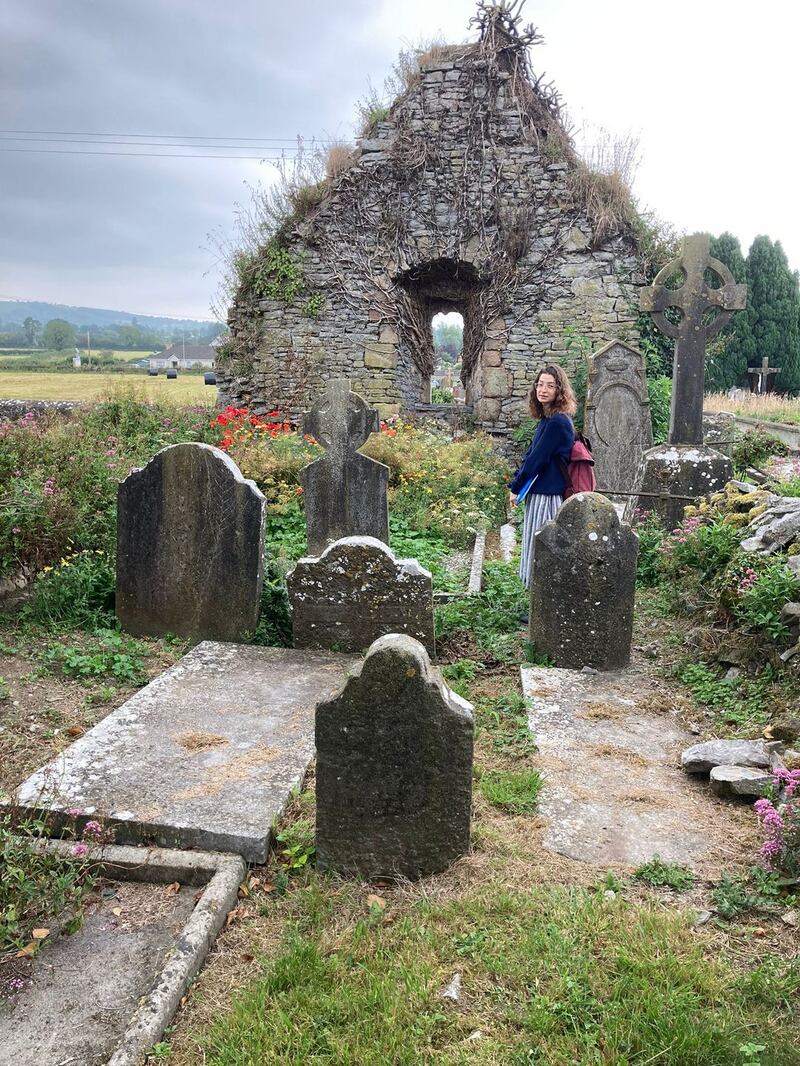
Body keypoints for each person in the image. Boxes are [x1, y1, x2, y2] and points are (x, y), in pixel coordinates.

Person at [509, 364, 577, 589]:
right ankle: (537, 600)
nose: (543, 390)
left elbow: (536, 460)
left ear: (560, 390)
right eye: (540, 384)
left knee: (545, 549)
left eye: (550, 385)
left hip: (548, 496)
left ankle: (545, 602)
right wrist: (517, 482)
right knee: (536, 546)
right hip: (540, 493)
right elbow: (531, 453)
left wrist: (516, 487)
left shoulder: (558, 421)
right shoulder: (548, 419)